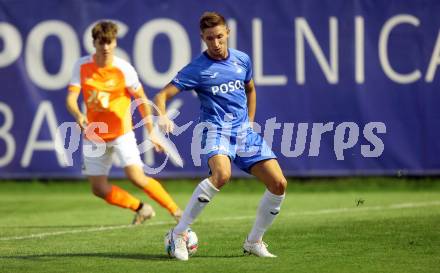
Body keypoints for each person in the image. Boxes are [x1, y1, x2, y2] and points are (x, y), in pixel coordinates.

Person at [154, 12, 287, 260]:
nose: (215, 44)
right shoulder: (198, 68)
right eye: (209, 39)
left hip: (244, 133)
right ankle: (179, 233)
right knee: (222, 175)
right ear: (202, 38)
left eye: (219, 37)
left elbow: (250, 88)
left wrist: (250, 121)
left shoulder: (242, 60)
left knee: (279, 185)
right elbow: (161, 95)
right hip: (216, 130)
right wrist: (162, 116)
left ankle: (254, 241)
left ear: (227, 33)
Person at [66, 20, 182, 225]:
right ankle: (141, 208)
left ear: (115, 43)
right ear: (94, 43)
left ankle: (176, 211)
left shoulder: (124, 69)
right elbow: (70, 99)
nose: (105, 47)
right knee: (98, 189)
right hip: (94, 135)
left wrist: (152, 133)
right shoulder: (82, 66)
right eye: (101, 42)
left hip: (121, 133)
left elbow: (142, 100)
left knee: (136, 176)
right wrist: (77, 114)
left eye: (109, 42)